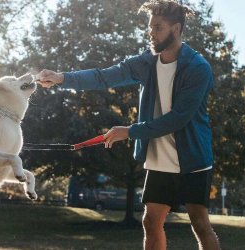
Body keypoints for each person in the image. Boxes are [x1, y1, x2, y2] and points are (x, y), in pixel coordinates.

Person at [35, 1, 220, 249]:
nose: (151, 33)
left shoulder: (198, 68)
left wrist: (129, 131)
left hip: (193, 160)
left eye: (158, 28)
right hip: (159, 160)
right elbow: (103, 76)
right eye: (150, 28)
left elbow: (178, 119)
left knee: (199, 224)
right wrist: (61, 78)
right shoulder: (146, 63)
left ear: (176, 29)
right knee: (151, 221)